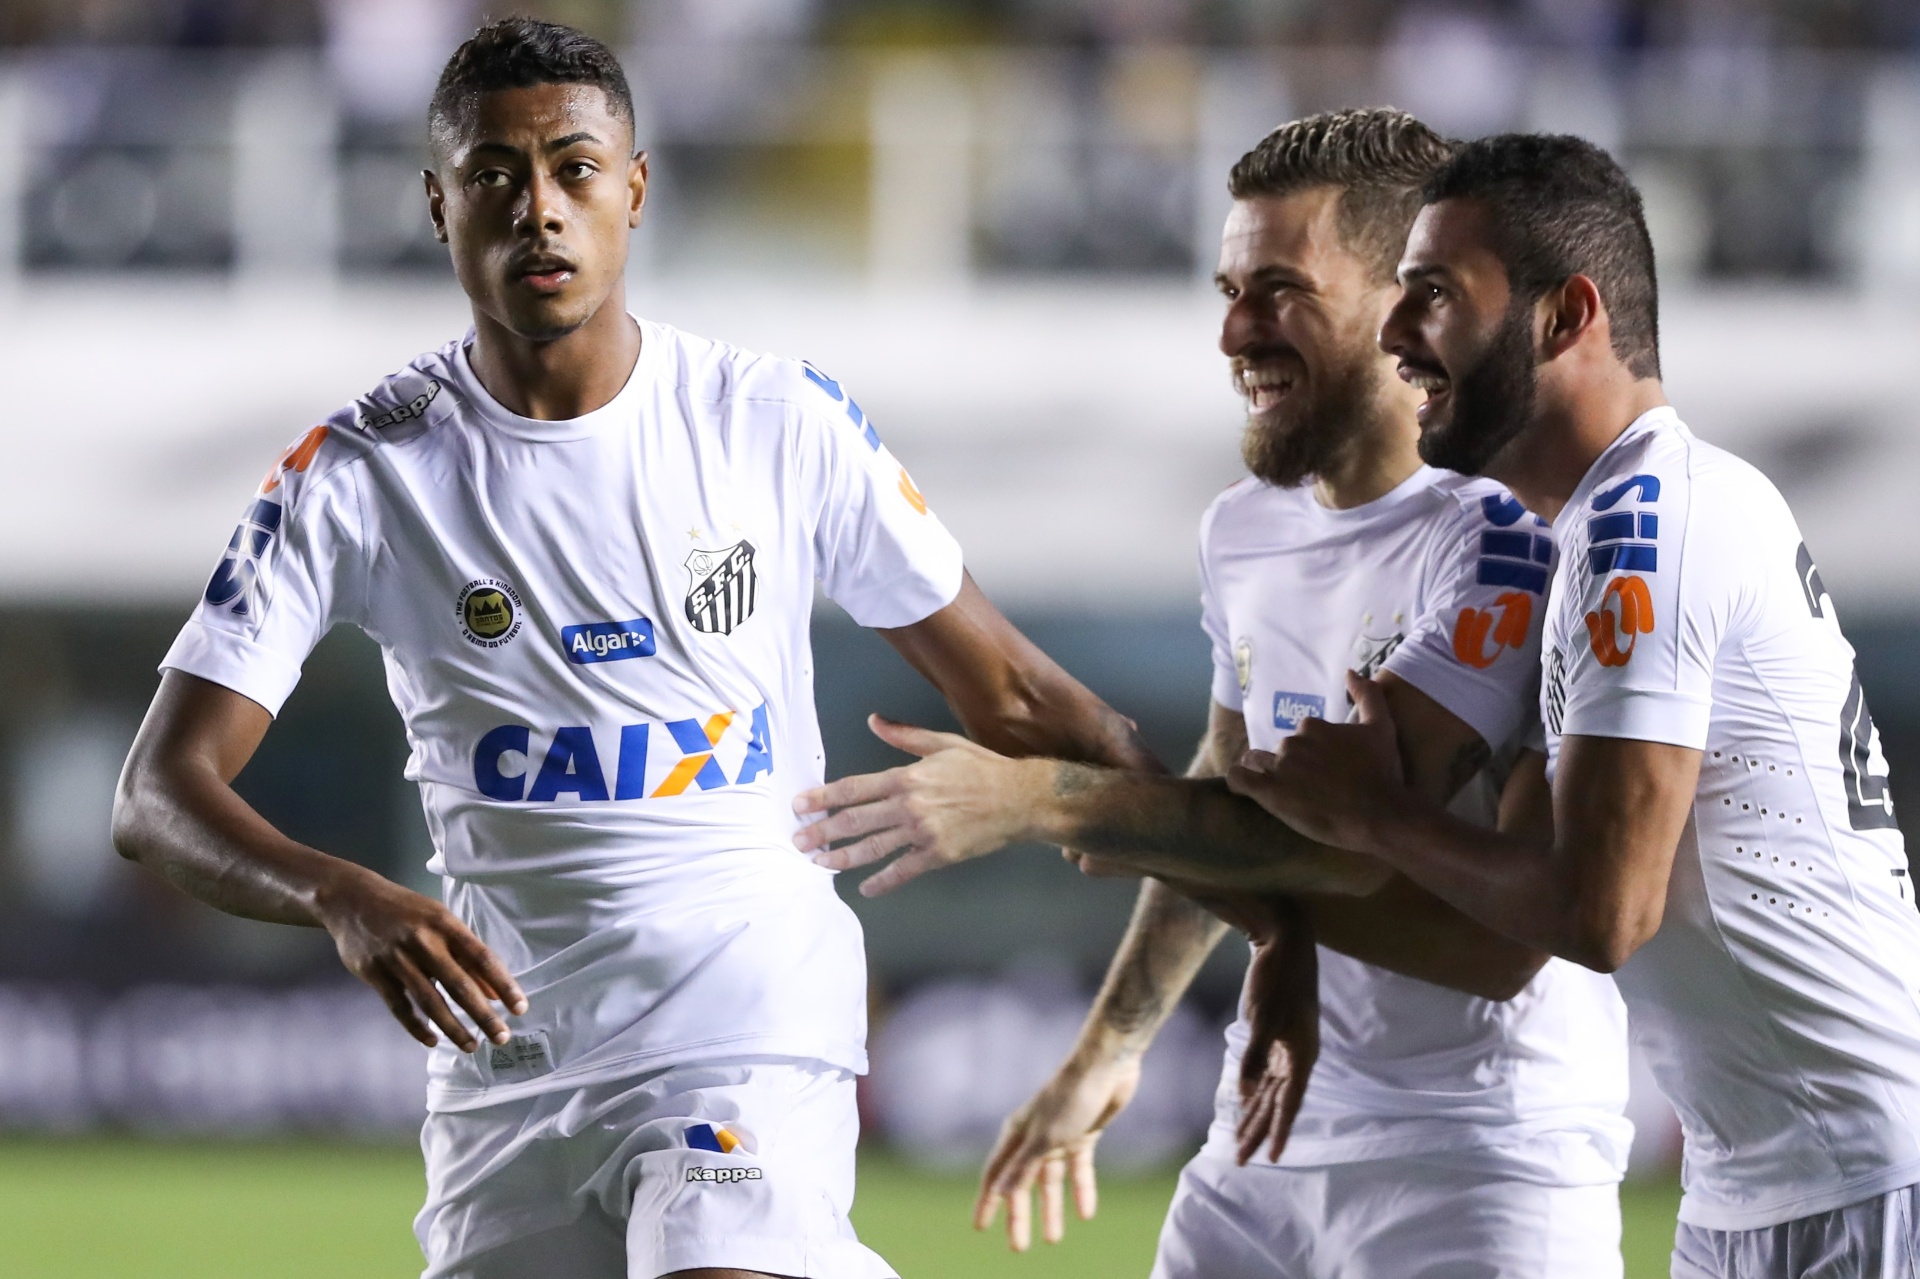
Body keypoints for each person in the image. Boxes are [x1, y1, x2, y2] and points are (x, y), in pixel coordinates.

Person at [108, 19, 1165, 1279]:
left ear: (636, 190)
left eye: (575, 169)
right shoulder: (362, 471)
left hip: (743, 1026)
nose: (539, 210)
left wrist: (1243, 867)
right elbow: (157, 795)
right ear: (439, 206)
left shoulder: (772, 420)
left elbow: (1018, 694)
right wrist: (339, 893)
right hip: (511, 1064)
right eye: (494, 176)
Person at [793, 111, 1631, 1279]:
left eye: (1281, 291)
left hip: (1480, 1151)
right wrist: (1113, 1042)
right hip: (1266, 1126)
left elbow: (1349, 846)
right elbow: (1230, 796)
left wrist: (1037, 798)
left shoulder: (1502, 542)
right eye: (1231, 290)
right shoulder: (1244, 528)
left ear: (1405, 302)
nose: (1237, 332)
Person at [1225, 133, 1920, 1276]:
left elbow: (1601, 913)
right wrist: (1293, 915)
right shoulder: (1611, 522)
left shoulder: (1641, 526)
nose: (1397, 333)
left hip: (1859, 1185)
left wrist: (1375, 816)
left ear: (1566, 315)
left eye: (1435, 294)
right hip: (1760, 1180)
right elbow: (1531, 890)